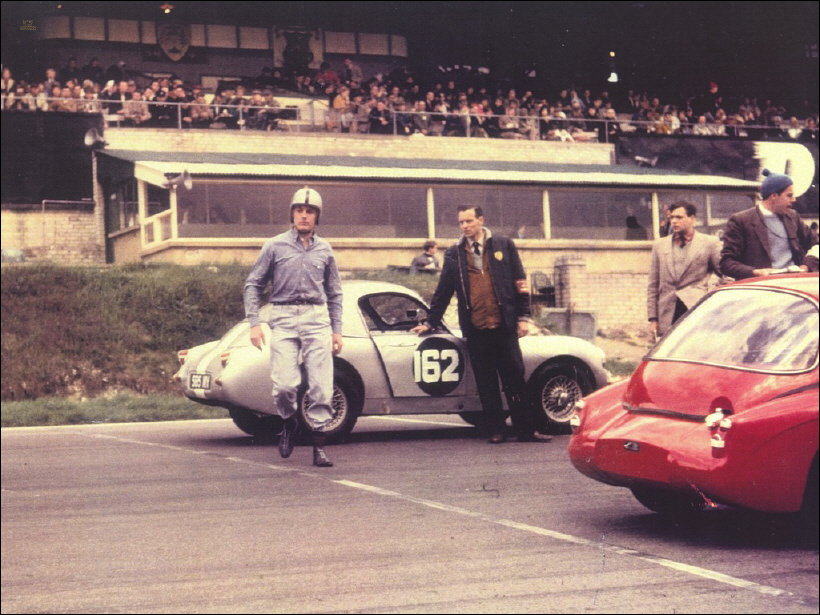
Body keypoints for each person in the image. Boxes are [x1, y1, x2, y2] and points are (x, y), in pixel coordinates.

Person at [412, 206, 549, 444]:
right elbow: (443, 291)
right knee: (486, 382)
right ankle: (496, 430)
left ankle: (526, 430)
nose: (464, 226)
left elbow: (520, 282)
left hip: (504, 325)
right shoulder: (454, 253)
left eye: (469, 221)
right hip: (476, 328)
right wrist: (431, 321)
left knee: (515, 379)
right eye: (461, 222)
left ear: (481, 220)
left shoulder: (503, 245)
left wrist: (523, 317)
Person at [243, 188, 344, 467]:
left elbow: (335, 292)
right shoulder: (274, 246)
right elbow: (253, 284)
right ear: (292, 214)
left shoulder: (325, 250)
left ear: (317, 217)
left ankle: (319, 445)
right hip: (283, 317)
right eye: (299, 210)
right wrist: (254, 323)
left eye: (309, 211)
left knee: (321, 387)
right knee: (285, 386)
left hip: (316, 317)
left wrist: (336, 329)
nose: (304, 215)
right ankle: (288, 421)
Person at [720, 169, 818, 279]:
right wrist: (756, 272)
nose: (794, 200)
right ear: (774, 196)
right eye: (789, 196)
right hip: (762, 286)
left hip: (793, 283)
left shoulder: (793, 217)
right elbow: (726, 263)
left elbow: (816, 244)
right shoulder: (740, 221)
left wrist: (807, 266)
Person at [647, 201, 722, 340]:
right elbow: (653, 285)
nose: (674, 221)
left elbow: (726, 274)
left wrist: (712, 295)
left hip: (695, 311)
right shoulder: (660, 245)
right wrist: (653, 319)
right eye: (672, 217)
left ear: (692, 219)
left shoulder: (709, 243)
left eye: (679, 217)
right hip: (667, 314)